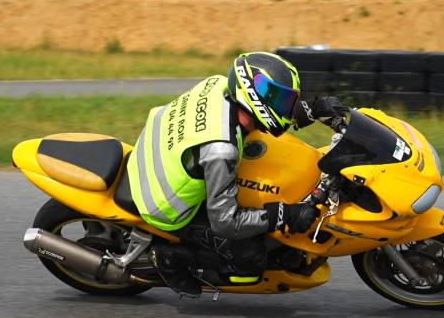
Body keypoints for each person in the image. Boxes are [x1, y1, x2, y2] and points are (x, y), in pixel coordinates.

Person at [115, 51, 347, 297]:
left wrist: (310, 110)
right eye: (281, 100)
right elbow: (225, 222)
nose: (286, 107)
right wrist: (283, 214)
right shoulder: (221, 150)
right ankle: (170, 259)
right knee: (252, 256)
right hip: (164, 202)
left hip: (155, 152)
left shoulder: (218, 85)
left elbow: (266, 110)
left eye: (287, 100)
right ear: (252, 96)